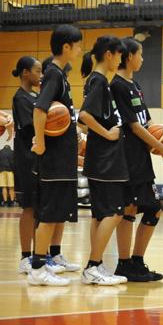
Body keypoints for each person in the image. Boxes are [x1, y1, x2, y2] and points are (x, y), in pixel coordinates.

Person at [112, 37, 163, 283]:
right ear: (129, 56)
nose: (142, 58)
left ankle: (136, 262)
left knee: (152, 209)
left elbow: (147, 122)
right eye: (140, 54)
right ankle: (125, 263)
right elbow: (134, 126)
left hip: (142, 157)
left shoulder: (134, 84)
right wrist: (160, 147)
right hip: (128, 158)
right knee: (130, 208)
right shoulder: (117, 85)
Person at [28, 24, 84, 287]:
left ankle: (47, 261)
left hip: (63, 157)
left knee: (57, 212)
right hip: (53, 158)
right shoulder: (53, 74)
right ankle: (38, 268)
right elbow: (40, 110)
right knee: (49, 214)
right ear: (66, 47)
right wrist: (40, 142)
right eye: (79, 45)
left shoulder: (60, 75)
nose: (81, 50)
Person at [78, 35, 129, 285]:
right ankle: (92, 265)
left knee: (99, 215)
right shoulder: (98, 81)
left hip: (100, 159)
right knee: (115, 212)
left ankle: (95, 266)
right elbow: (84, 116)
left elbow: (83, 124)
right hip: (105, 161)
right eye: (119, 55)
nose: (120, 60)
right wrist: (107, 134)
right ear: (109, 54)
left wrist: (100, 133)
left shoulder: (95, 80)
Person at [11, 56, 45, 274]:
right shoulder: (20, 98)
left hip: (39, 160)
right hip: (26, 160)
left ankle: (38, 255)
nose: (41, 75)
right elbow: (32, 127)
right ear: (25, 72)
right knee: (29, 208)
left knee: (39, 209)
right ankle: (25, 257)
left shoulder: (36, 96)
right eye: (38, 71)